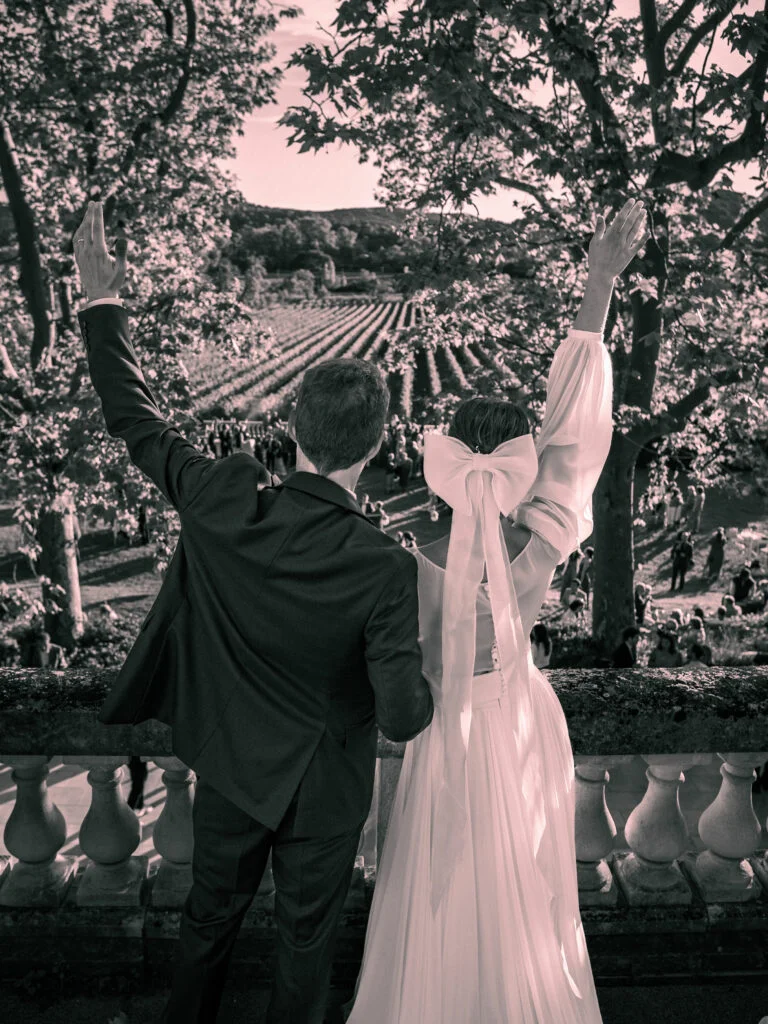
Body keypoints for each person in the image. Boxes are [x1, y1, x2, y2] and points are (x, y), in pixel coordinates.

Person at [72, 200, 434, 1024]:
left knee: (207, 920)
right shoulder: (384, 566)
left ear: (293, 431)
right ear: (378, 448)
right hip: (327, 787)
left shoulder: (222, 496)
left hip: (233, 766)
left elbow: (135, 420)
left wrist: (102, 301)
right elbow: (406, 718)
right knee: (305, 946)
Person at [345, 198, 647, 1023]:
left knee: (437, 894)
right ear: (521, 466)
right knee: (525, 886)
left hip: (443, 737)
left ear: (447, 467)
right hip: (519, 727)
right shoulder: (542, 541)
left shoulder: (402, 566)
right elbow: (577, 432)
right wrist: (599, 281)